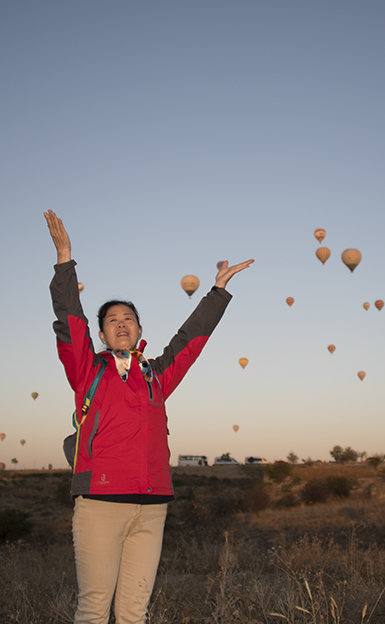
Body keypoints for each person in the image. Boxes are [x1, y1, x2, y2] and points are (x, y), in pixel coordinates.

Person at [44, 209, 253, 624]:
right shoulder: (89, 371)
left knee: (135, 611)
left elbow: (190, 340)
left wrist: (217, 291)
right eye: (112, 320)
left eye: (129, 319)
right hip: (100, 502)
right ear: (101, 334)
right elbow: (69, 323)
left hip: (153, 503)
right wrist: (65, 260)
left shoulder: (156, 375)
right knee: (93, 608)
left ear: (140, 329)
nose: (121, 324)